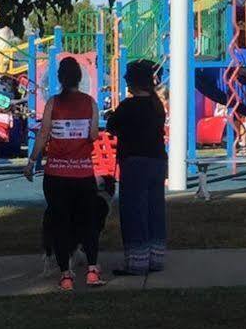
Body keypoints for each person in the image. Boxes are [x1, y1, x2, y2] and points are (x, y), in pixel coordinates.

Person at [26, 55, 108, 288]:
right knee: (88, 222)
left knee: (60, 222)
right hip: (83, 175)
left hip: (56, 175)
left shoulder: (53, 103)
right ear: (80, 78)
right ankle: (92, 270)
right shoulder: (90, 102)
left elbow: (43, 135)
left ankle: (65, 276)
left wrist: (32, 161)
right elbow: (93, 135)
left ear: (60, 79)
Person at [109, 59, 168, 275]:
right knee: (154, 209)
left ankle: (137, 261)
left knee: (134, 210)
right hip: (158, 161)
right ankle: (156, 257)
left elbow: (112, 126)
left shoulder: (128, 106)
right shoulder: (157, 106)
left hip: (134, 162)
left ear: (133, 83)